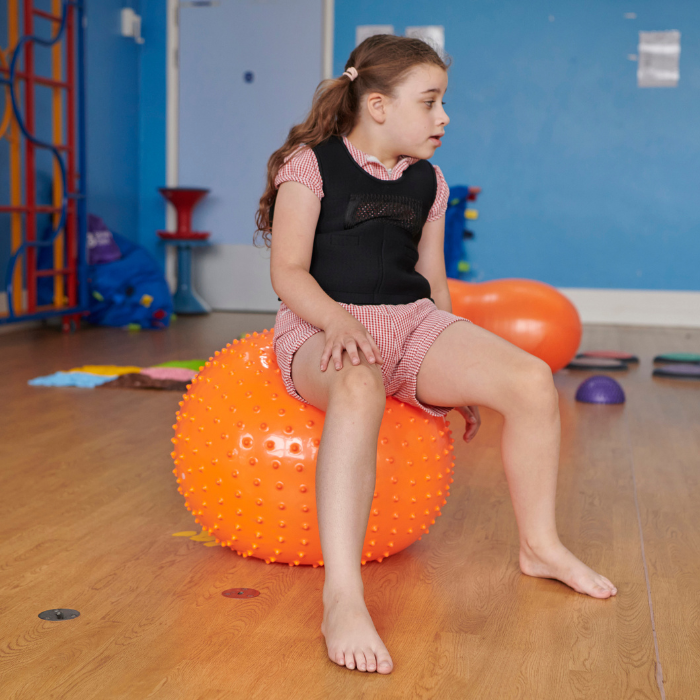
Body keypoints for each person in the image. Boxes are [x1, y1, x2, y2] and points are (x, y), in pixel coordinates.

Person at [254, 34, 617, 676]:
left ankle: (541, 547)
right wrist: (338, 322)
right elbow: (288, 272)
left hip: (412, 324)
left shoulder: (430, 180)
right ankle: (342, 595)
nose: (444, 117)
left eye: (442, 101)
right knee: (361, 384)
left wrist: (464, 374)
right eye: (431, 102)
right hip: (320, 327)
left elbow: (432, 279)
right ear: (378, 105)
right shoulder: (309, 167)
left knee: (532, 380)